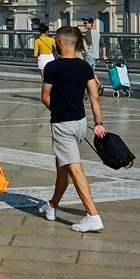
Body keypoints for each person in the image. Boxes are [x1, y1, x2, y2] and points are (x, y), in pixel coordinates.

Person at [38, 26, 107, 232]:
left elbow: (44, 96)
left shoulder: (52, 67)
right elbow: (94, 97)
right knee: (63, 167)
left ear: (60, 43)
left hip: (62, 124)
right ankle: (51, 206)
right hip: (80, 123)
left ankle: (92, 215)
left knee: (74, 169)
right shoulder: (85, 66)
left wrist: (57, 109)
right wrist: (98, 123)